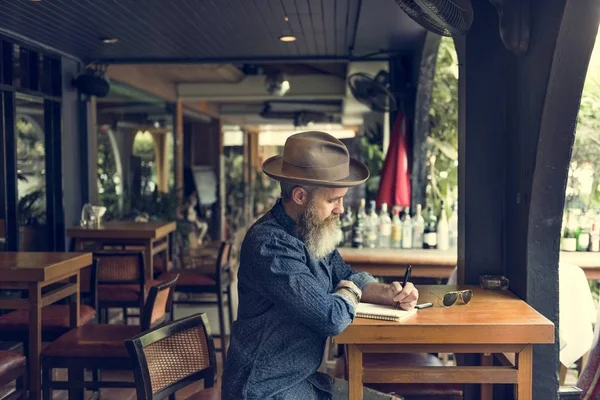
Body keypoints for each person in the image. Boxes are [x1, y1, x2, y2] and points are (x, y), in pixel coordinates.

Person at [222, 131, 419, 400]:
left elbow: (346, 276)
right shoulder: (269, 244)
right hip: (264, 387)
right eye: (332, 200)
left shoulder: (311, 229)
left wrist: (388, 293)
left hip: (303, 379)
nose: (340, 209)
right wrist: (349, 292)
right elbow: (330, 317)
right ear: (300, 196)